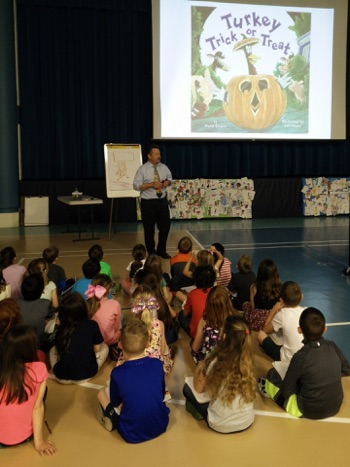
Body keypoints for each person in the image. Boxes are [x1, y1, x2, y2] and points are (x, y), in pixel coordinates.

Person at [260, 307, 350, 419]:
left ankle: (267, 389)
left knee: (271, 375)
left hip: (307, 410)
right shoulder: (332, 346)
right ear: (325, 329)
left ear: (299, 330)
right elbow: (346, 369)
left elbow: (287, 391)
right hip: (336, 405)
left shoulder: (301, 356)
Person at [96, 319, 170, 443]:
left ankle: (112, 419)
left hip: (131, 433)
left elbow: (115, 402)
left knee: (101, 393)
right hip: (161, 425)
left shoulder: (117, 373)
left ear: (120, 345)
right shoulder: (157, 364)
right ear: (147, 344)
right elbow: (162, 394)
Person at [183, 315, 256, 433]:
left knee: (187, 389)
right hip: (246, 421)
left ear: (224, 336)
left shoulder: (215, 360)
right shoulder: (248, 360)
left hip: (220, 424)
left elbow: (197, 388)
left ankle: (198, 413)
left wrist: (200, 367)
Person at [0, 325, 56, 455]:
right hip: (25, 436)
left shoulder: (3, 372)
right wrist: (39, 443)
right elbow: (38, 407)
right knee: (41, 396)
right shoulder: (39, 368)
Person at [49, 292, 108, 384]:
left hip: (61, 376)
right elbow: (97, 349)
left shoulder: (61, 328)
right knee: (105, 347)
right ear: (83, 309)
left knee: (52, 350)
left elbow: (58, 348)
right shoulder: (92, 324)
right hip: (87, 374)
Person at [117, 285, 174, 375]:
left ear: (133, 305)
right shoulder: (160, 324)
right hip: (155, 368)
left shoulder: (130, 327)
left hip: (133, 367)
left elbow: (126, 353)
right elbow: (162, 351)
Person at [133, 144, 172, 258]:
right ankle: (151, 252)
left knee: (165, 227)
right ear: (149, 156)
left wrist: (167, 183)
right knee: (149, 230)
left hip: (162, 201)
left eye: (159, 154)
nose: (158, 156)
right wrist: (151, 184)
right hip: (148, 203)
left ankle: (161, 250)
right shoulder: (142, 169)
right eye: (156, 154)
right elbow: (136, 185)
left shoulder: (164, 167)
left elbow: (170, 178)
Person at [257, 281, 305, 363]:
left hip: (288, 359)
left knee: (260, 334)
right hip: (305, 356)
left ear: (281, 300)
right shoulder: (306, 311)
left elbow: (265, 329)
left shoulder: (282, 314)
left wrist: (274, 310)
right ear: (301, 297)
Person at [191, 285, 235, 364]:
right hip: (229, 365)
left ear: (208, 303)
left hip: (209, 364)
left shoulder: (204, 322)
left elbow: (195, 348)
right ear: (228, 302)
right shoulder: (235, 322)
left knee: (192, 344)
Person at [243, 258, 282, 331]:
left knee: (245, 304)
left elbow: (252, 306)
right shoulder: (279, 287)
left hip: (258, 319)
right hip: (273, 318)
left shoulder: (254, 287)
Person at [179, 265, 217, 339]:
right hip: (214, 334)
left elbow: (185, 313)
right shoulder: (216, 293)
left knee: (181, 315)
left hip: (196, 334)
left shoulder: (192, 294)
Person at [16, 274, 52, 349]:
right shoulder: (46, 304)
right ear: (42, 291)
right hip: (38, 344)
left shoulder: (15, 303)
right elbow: (51, 316)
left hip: (16, 344)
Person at [85, 274, 121, 347]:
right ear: (109, 290)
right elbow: (117, 328)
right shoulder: (115, 304)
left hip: (92, 341)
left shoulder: (87, 303)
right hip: (109, 340)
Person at [168, 236, 196, 303]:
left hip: (176, 287)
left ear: (178, 248)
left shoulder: (173, 260)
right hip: (190, 286)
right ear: (191, 249)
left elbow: (172, 274)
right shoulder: (194, 260)